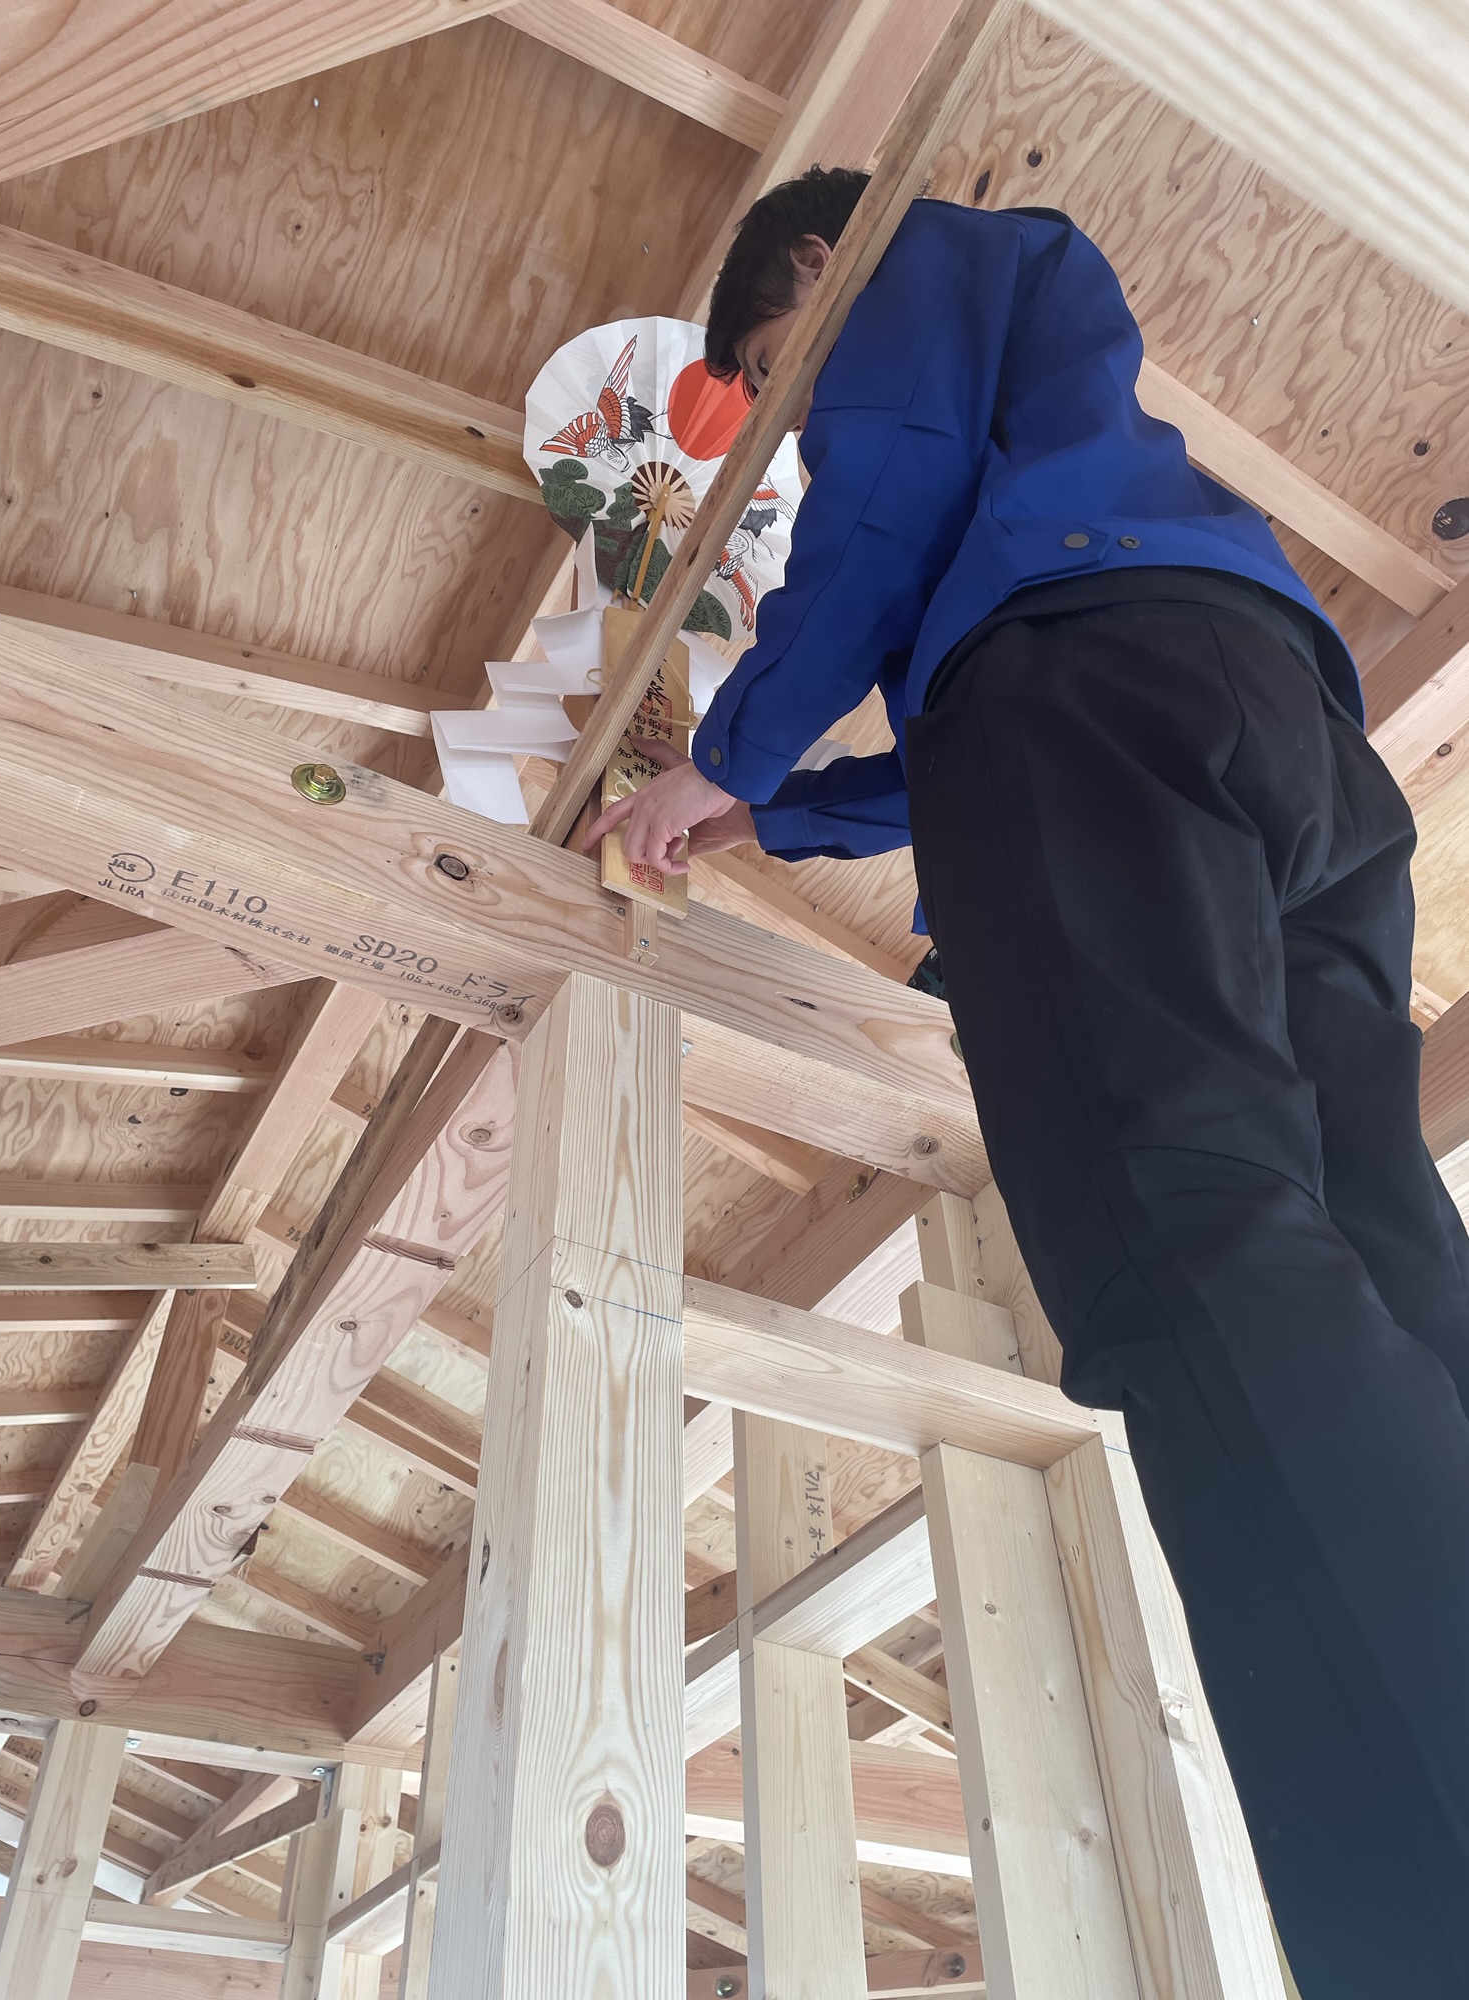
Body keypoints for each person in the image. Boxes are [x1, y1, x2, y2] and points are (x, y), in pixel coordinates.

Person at [584, 167, 1469, 1996]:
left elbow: (890, 511)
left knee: (1188, 1244)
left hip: (1086, 697)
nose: (806, 431)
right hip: (1284, 740)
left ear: (818, 262)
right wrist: (772, 809)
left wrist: (728, 750)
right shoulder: (1076, 438)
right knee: (1376, 1239)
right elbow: (984, 701)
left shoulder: (916, 269)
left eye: (787, 379)